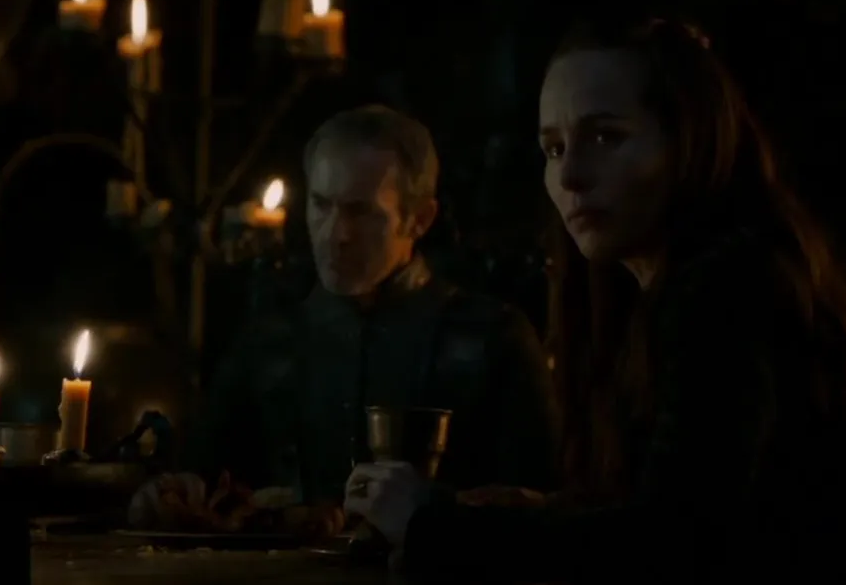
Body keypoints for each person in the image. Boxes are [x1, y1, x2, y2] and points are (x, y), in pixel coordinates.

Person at [344, 19, 846, 585]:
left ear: (689, 142)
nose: (572, 176)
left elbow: (673, 538)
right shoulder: (659, 296)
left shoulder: (727, 288)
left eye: (605, 137)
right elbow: (690, 499)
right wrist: (551, 514)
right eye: (554, 148)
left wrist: (433, 526)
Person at [132, 105, 561, 529]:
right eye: (321, 205)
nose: (336, 234)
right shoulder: (271, 339)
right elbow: (205, 474)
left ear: (419, 219)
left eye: (362, 213)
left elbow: (543, 513)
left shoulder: (490, 339)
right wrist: (173, 496)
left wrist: (437, 514)